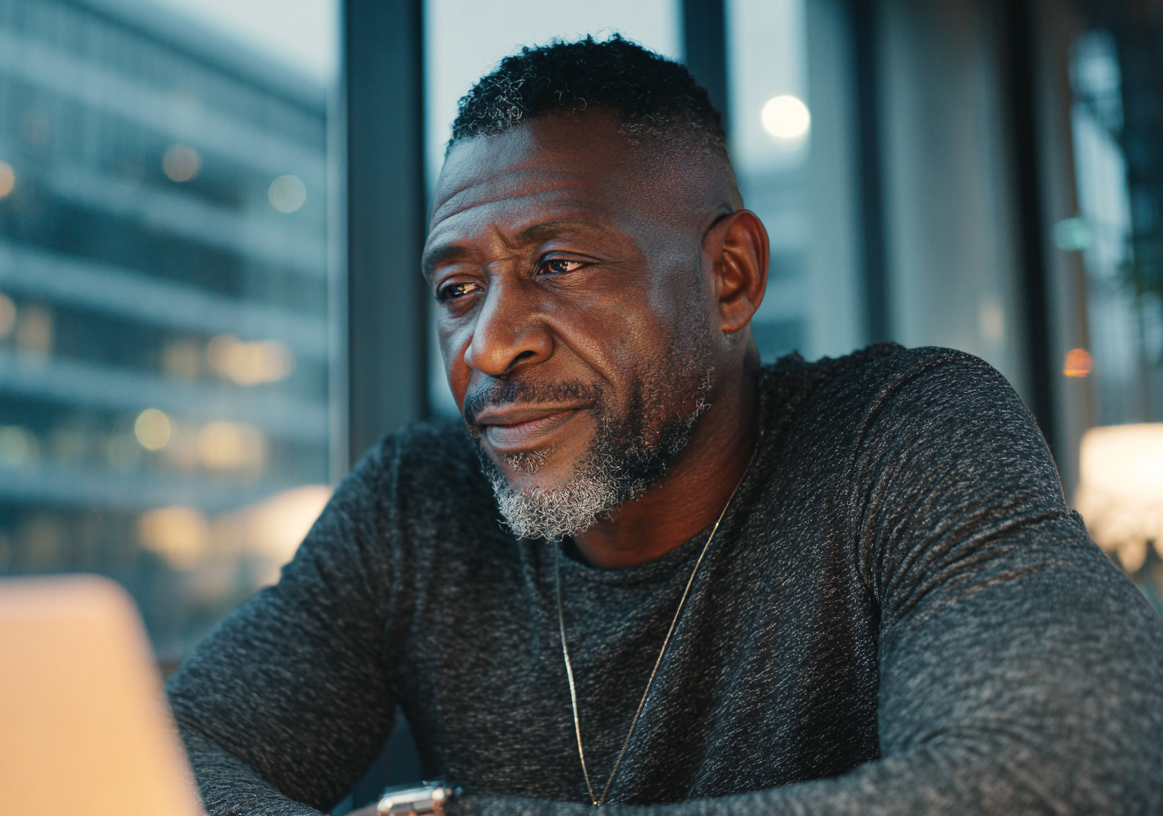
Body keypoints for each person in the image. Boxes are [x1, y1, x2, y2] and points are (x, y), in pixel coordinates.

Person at [167, 36, 1163, 815]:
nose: (488, 342)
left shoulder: (900, 433)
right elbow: (165, 757)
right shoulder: (416, 503)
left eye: (558, 264)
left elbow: (1071, 774)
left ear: (730, 278)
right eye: (457, 288)